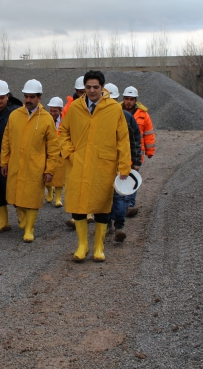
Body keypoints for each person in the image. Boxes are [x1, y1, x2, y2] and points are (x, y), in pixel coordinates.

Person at [59, 71, 131, 262]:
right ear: (84, 88)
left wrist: (125, 166)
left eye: (95, 87)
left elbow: (123, 138)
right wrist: (68, 151)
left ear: (102, 88)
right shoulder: (75, 108)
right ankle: (82, 245)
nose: (92, 91)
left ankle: (99, 246)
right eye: (88, 87)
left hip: (103, 164)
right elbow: (63, 131)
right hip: (78, 162)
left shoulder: (114, 109)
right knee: (78, 202)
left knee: (101, 205)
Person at [0, 79, 60, 243]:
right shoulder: (14, 115)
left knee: (32, 198)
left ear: (39, 98)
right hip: (15, 163)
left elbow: (54, 148)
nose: (28, 100)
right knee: (16, 194)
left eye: (32, 97)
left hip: (35, 166)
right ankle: (22, 217)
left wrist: (49, 170)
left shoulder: (46, 119)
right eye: (26, 96)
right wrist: (4, 162)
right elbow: (6, 140)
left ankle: (29, 229)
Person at [104, 83, 142, 242]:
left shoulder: (125, 118)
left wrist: (135, 161)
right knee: (108, 196)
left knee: (116, 196)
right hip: (106, 163)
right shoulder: (122, 117)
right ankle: (110, 225)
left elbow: (134, 140)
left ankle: (116, 226)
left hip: (118, 163)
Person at [0, 80, 22, 233]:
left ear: (8, 96)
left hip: (13, 156)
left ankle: (22, 218)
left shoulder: (17, 111)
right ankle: (3, 222)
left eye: (2, 97)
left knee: (14, 187)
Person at [122, 86, 155, 218]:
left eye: (131, 99)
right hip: (122, 152)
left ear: (135, 100)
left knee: (133, 179)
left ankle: (130, 204)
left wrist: (150, 150)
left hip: (136, 153)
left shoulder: (143, 115)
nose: (128, 101)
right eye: (126, 99)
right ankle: (121, 204)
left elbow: (148, 133)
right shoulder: (117, 112)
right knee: (121, 179)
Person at [45, 96, 67, 207]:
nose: (52, 113)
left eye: (55, 111)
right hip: (48, 150)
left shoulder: (65, 121)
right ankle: (49, 191)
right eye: (51, 110)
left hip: (60, 152)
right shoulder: (45, 120)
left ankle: (58, 198)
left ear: (60, 110)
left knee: (60, 175)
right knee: (47, 172)